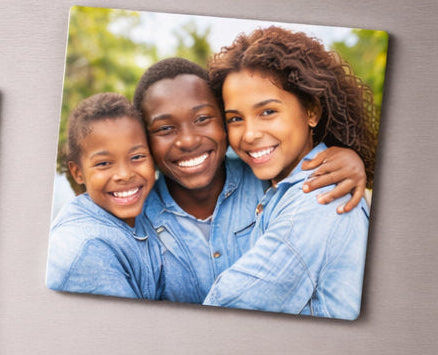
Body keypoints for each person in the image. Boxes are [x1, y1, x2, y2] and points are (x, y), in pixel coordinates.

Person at [133, 56, 368, 305]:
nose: (188, 141)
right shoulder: (134, 219)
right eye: (165, 128)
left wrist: (350, 157)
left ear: (221, 124)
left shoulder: (301, 186)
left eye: (202, 119)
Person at [201, 27, 377, 319]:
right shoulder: (284, 181)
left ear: (312, 112)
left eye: (268, 112)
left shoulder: (320, 199)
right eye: (235, 119)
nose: (250, 134)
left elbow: (226, 308)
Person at [46, 93, 162, 300]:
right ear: (78, 173)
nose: (124, 174)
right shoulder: (87, 249)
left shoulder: (147, 212)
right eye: (103, 163)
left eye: (137, 157)